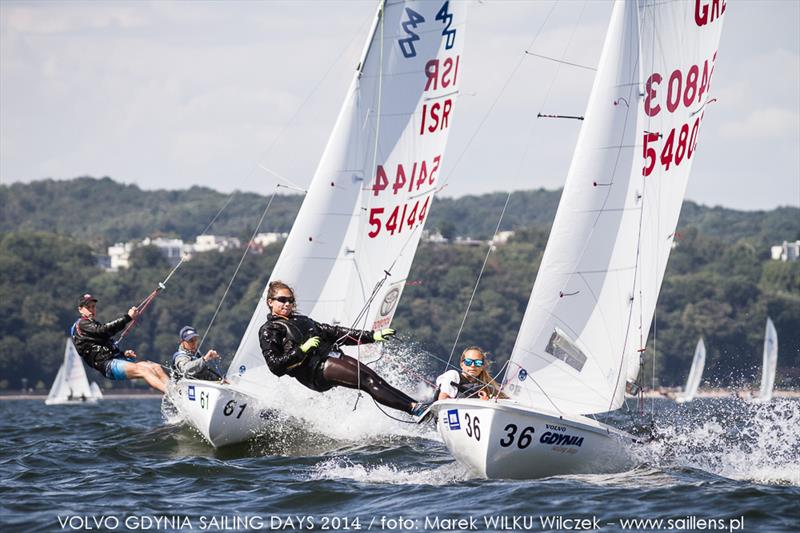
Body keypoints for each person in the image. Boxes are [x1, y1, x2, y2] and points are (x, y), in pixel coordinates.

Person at [258, 281, 429, 416]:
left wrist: (372, 336)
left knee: (375, 379)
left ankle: (416, 406)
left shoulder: (302, 319)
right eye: (282, 300)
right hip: (314, 371)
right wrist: (302, 350)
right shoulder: (269, 329)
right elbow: (275, 366)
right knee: (367, 382)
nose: (287, 304)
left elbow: (334, 332)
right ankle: (413, 409)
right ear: (270, 302)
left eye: (290, 300)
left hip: (330, 357)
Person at [71, 293, 169, 393]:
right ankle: (171, 394)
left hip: (116, 360)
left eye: (93, 307)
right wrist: (128, 317)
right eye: (88, 307)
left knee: (155, 367)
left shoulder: (92, 326)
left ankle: (176, 392)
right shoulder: (82, 324)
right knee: (144, 371)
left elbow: (105, 345)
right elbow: (103, 330)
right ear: (80, 309)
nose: (91, 309)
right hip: (108, 366)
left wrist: (123, 353)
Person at [436, 346, 503, 401]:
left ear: (482, 367)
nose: (473, 365)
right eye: (468, 362)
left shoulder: (485, 387)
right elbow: (442, 399)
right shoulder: (453, 375)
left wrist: (487, 402)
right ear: (462, 364)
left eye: (478, 363)